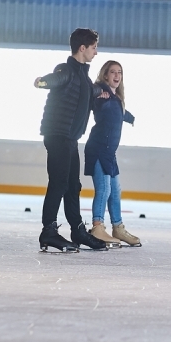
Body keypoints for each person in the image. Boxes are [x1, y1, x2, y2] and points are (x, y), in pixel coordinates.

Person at [34, 28, 108, 252]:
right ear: (82, 48)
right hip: (58, 136)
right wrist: (41, 82)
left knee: (73, 186)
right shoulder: (66, 70)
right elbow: (53, 80)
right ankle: (48, 231)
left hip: (70, 139)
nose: (96, 52)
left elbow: (88, 89)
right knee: (59, 183)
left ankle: (77, 230)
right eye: (94, 47)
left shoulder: (83, 77)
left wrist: (101, 92)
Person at [84, 60, 140, 247]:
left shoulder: (116, 98)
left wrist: (130, 118)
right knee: (104, 189)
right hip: (99, 147)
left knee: (115, 191)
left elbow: (120, 112)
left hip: (109, 152)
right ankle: (97, 226)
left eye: (119, 72)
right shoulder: (101, 93)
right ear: (105, 75)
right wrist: (99, 92)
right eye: (113, 72)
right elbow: (92, 96)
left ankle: (118, 227)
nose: (117, 75)